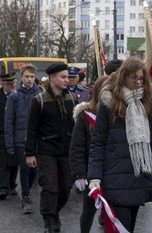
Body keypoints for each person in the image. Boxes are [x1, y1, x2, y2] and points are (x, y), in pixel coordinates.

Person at [87, 57, 152, 232]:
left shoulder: (150, 103)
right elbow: (98, 143)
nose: (138, 83)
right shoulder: (109, 103)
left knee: (128, 226)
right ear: (124, 78)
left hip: (139, 178)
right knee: (121, 226)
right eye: (134, 78)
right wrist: (94, 177)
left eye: (141, 79)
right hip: (114, 177)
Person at [25, 63, 77, 233]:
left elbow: (76, 126)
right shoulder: (39, 100)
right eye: (63, 77)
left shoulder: (72, 99)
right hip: (46, 151)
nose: (67, 80)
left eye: (68, 77)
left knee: (66, 187)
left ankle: (55, 212)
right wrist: (30, 153)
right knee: (50, 186)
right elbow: (31, 129)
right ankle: (49, 219)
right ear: (52, 78)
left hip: (66, 151)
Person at [69, 76, 107, 233]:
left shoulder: (119, 113)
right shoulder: (86, 116)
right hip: (91, 173)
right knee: (88, 211)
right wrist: (79, 174)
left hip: (113, 171)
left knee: (112, 213)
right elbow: (77, 147)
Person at [5, 65, 42, 214]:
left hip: (37, 140)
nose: (29, 79)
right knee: (25, 168)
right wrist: (10, 145)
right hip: (20, 139)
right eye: (26, 76)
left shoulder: (40, 95)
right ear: (22, 77)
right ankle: (25, 197)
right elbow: (9, 122)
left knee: (34, 168)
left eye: (32, 77)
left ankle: (27, 191)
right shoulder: (14, 97)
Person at [0, 72, 19, 200]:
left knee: (14, 161)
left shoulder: (18, 96)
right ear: (2, 84)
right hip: (1, 133)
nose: (12, 85)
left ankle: (12, 184)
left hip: (16, 133)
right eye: (9, 84)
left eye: (13, 83)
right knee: (2, 162)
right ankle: (3, 187)